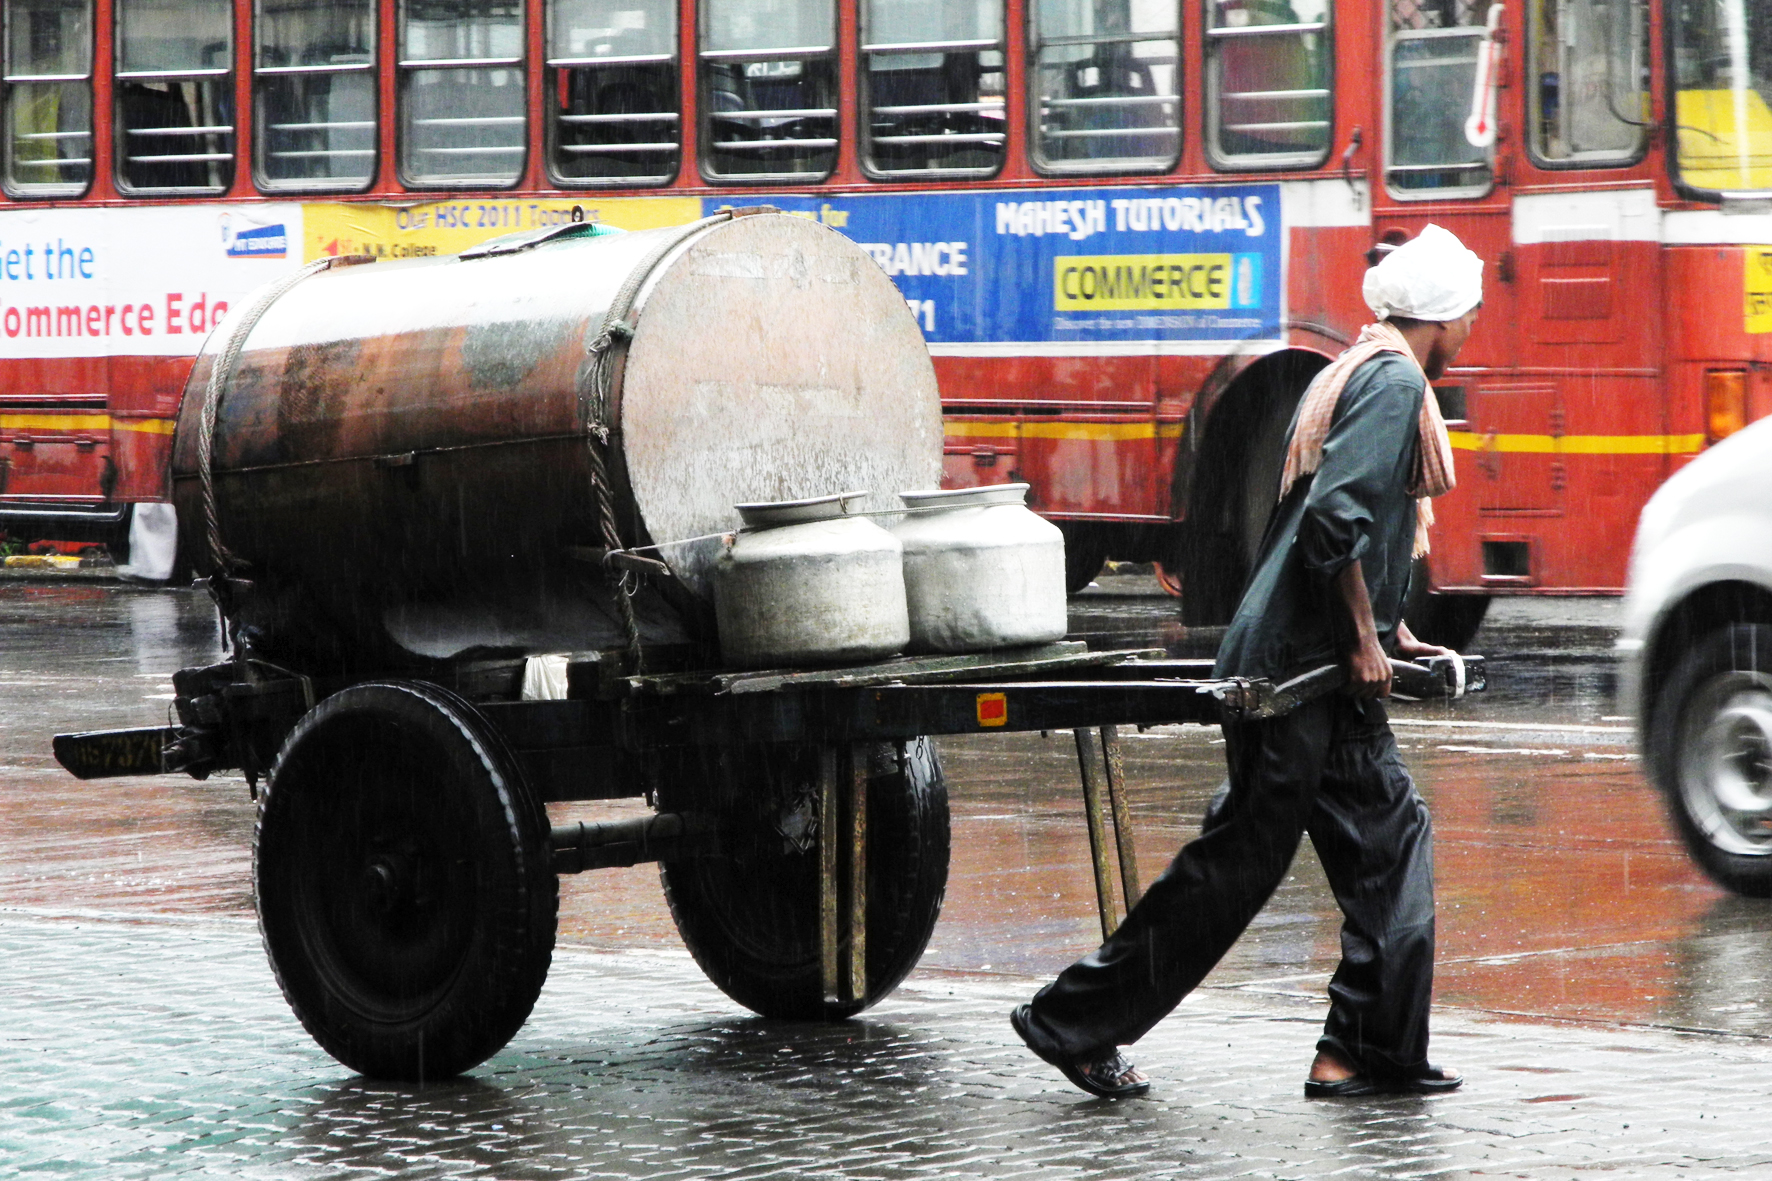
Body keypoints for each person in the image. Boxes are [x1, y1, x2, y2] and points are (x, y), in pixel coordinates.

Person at [1011, 224, 1484, 1099]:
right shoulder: (1390, 382)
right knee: (1237, 867)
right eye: (1474, 309)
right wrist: (1360, 637)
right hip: (1295, 671)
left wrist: (1394, 633)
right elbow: (1332, 522)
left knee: (1392, 845)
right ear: (1447, 317)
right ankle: (1070, 1021)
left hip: (1324, 671)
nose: (1477, 325)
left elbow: (1355, 530)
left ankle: (1364, 1047)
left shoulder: (1374, 371)